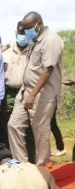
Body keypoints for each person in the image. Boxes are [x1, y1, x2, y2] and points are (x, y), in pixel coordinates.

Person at [7, 12, 64, 167]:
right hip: (25, 92)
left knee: (40, 132)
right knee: (14, 125)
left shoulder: (51, 40)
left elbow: (48, 70)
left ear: (39, 23)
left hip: (41, 95)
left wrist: (33, 94)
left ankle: (42, 169)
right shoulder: (34, 40)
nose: (26, 32)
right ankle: (23, 166)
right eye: (24, 29)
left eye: (29, 28)